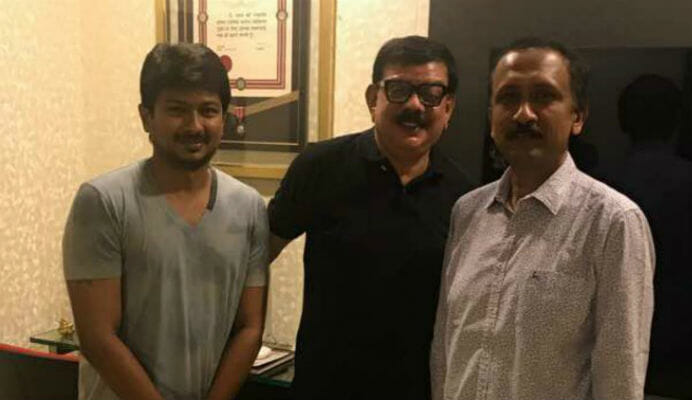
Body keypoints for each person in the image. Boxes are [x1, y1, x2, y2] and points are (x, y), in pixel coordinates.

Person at [431, 38, 655, 400]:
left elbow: (620, 379)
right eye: (508, 98)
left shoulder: (613, 222)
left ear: (577, 116)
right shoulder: (468, 212)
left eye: (543, 96)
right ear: (491, 116)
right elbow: (445, 352)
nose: (523, 114)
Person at [268, 36, 474, 400]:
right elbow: (256, 257)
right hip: (323, 389)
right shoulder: (319, 167)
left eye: (430, 93)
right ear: (372, 99)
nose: (414, 105)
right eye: (398, 90)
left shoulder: (465, 198)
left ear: (448, 108)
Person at [63, 43, 268, 400]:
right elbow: (98, 338)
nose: (195, 125)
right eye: (177, 110)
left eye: (208, 111)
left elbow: (249, 327)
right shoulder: (103, 201)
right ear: (146, 117)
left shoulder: (249, 207)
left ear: (224, 117)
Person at [605, 74, 692, 399]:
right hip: (691, 356)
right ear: (677, 120)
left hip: (618, 354)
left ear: (622, 121)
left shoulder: (601, 188)